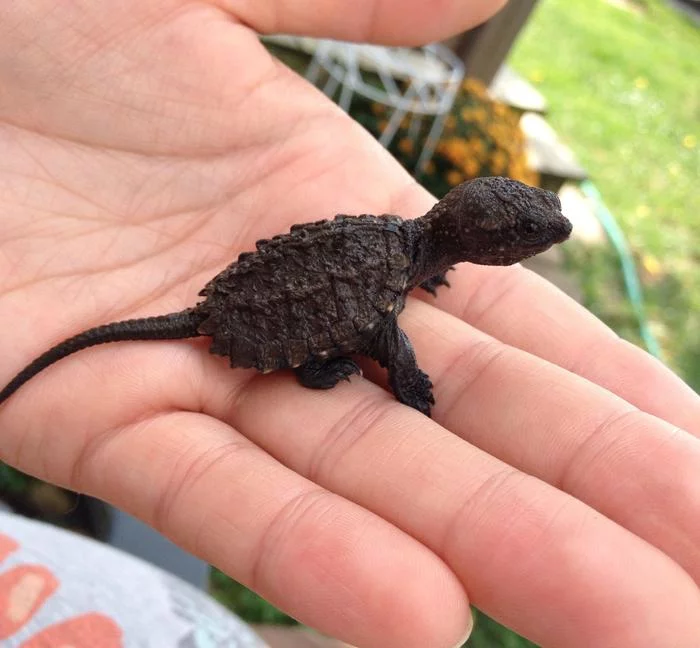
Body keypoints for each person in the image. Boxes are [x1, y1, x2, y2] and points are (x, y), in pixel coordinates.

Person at [0, 2, 699, 647]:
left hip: (254, 293)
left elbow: (389, 299)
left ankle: (310, 360)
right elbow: (382, 333)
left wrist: (417, 293)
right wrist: (412, 382)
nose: (549, 232)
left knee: (358, 309)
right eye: (526, 230)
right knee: (349, 331)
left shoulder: (395, 235)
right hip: (252, 321)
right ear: (484, 243)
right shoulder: (401, 258)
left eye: (536, 221)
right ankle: (309, 366)